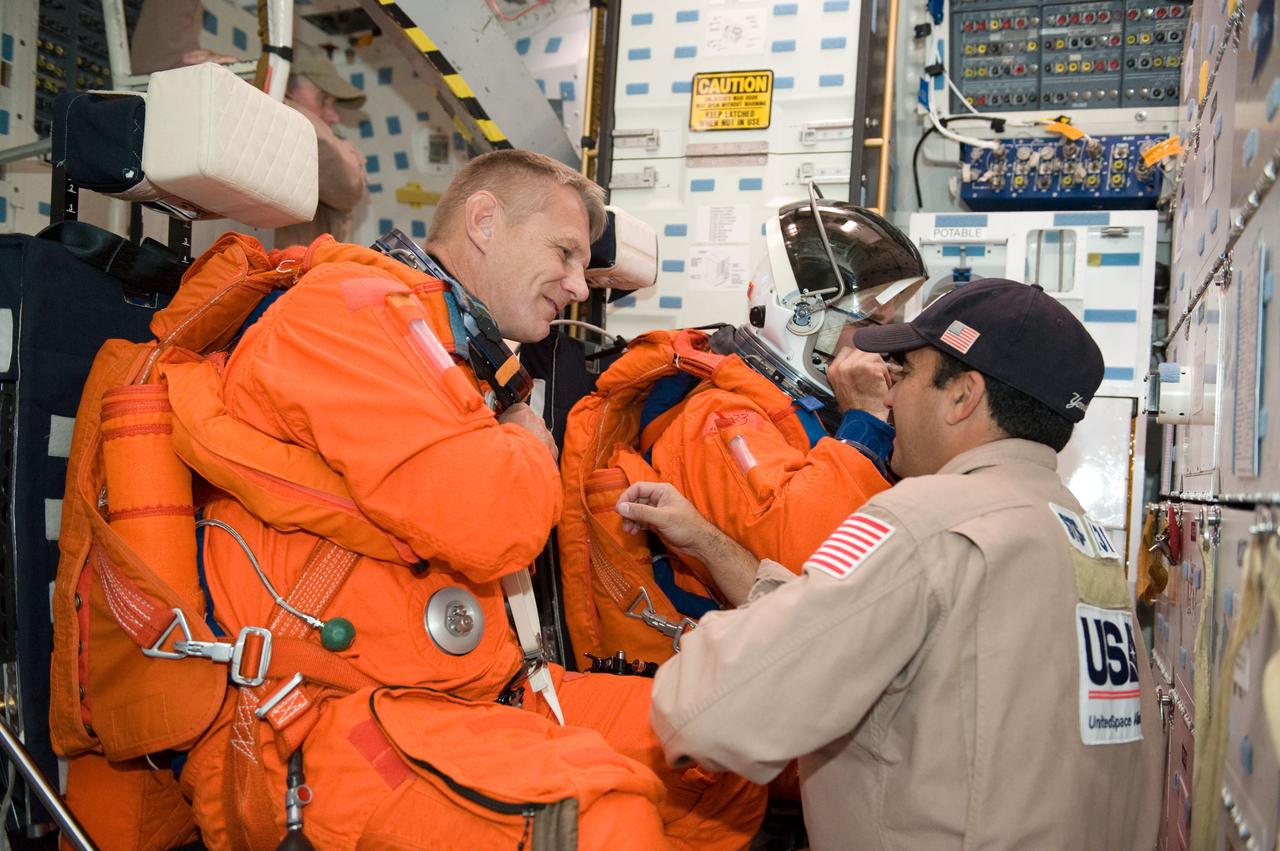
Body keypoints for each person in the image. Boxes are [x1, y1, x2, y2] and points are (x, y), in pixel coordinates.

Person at [88, 149, 761, 850]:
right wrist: (530, 440)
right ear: (483, 220)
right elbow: (496, 520)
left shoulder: (454, 349)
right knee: (600, 819)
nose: (575, 284)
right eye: (563, 253)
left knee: (725, 750)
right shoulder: (345, 310)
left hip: (464, 693)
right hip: (315, 727)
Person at [616, 278, 1163, 849]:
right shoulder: (1081, 539)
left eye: (902, 375)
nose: (889, 396)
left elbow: (706, 711)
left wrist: (696, 650)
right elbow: (918, 648)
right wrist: (706, 541)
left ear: (963, 395)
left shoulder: (924, 520)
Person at [557, 198, 927, 667]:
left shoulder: (798, 406)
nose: (885, 344)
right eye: (871, 324)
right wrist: (866, 427)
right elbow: (815, 569)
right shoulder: (723, 416)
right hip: (745, 673)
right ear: (802, 316)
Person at [129, 1, 367, 244]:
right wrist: (218, 79)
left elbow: (348, 187)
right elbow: (159, 63)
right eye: (323, 99)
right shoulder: (260, 124)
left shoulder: (329, 150)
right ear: (286, 88)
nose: (334, 116)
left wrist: (245, 89)